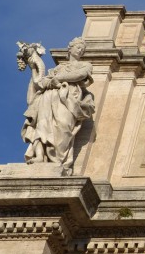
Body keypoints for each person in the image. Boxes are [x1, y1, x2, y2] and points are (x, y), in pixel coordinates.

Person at [18, 37, 95, 174]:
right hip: (50, 96)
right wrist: (35, 66)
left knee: (64, 126)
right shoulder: (58, 68)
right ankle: (40, 156)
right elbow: (41, 82)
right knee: (42, 124)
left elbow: (80, 75)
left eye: (82, 49)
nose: (80, 50)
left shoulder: (86, 65)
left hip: (69, 98)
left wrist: (57, 79)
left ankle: (59, 160)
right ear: (70, 49)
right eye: (78, 47)